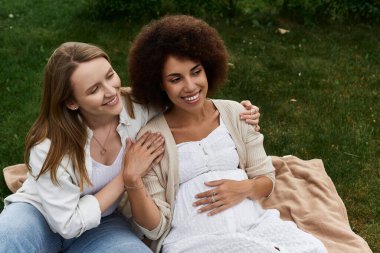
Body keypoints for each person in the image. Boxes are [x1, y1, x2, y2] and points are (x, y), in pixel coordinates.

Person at [0, 42, 260, 252]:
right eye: (94, 89)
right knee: (8, 236)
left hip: (105, 223)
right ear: (71, 102)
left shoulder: (141, 108)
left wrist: (238, 113)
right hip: (39, 215)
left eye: (110, 75)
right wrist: (127, 175)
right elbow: (67, 224)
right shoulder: (48, 146)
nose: (111, 91)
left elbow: (189, 98)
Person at [125, 15, 329, 253]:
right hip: (196, 239)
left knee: (313, 248)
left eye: (196, 72)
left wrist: (244, 189)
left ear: (207, 68)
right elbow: (155, 228)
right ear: (159, 83)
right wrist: (133, 182)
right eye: (175, 79)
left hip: (255, 226)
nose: (190, 86)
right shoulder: (152, 137)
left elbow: (266, 179)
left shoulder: (235, 113)